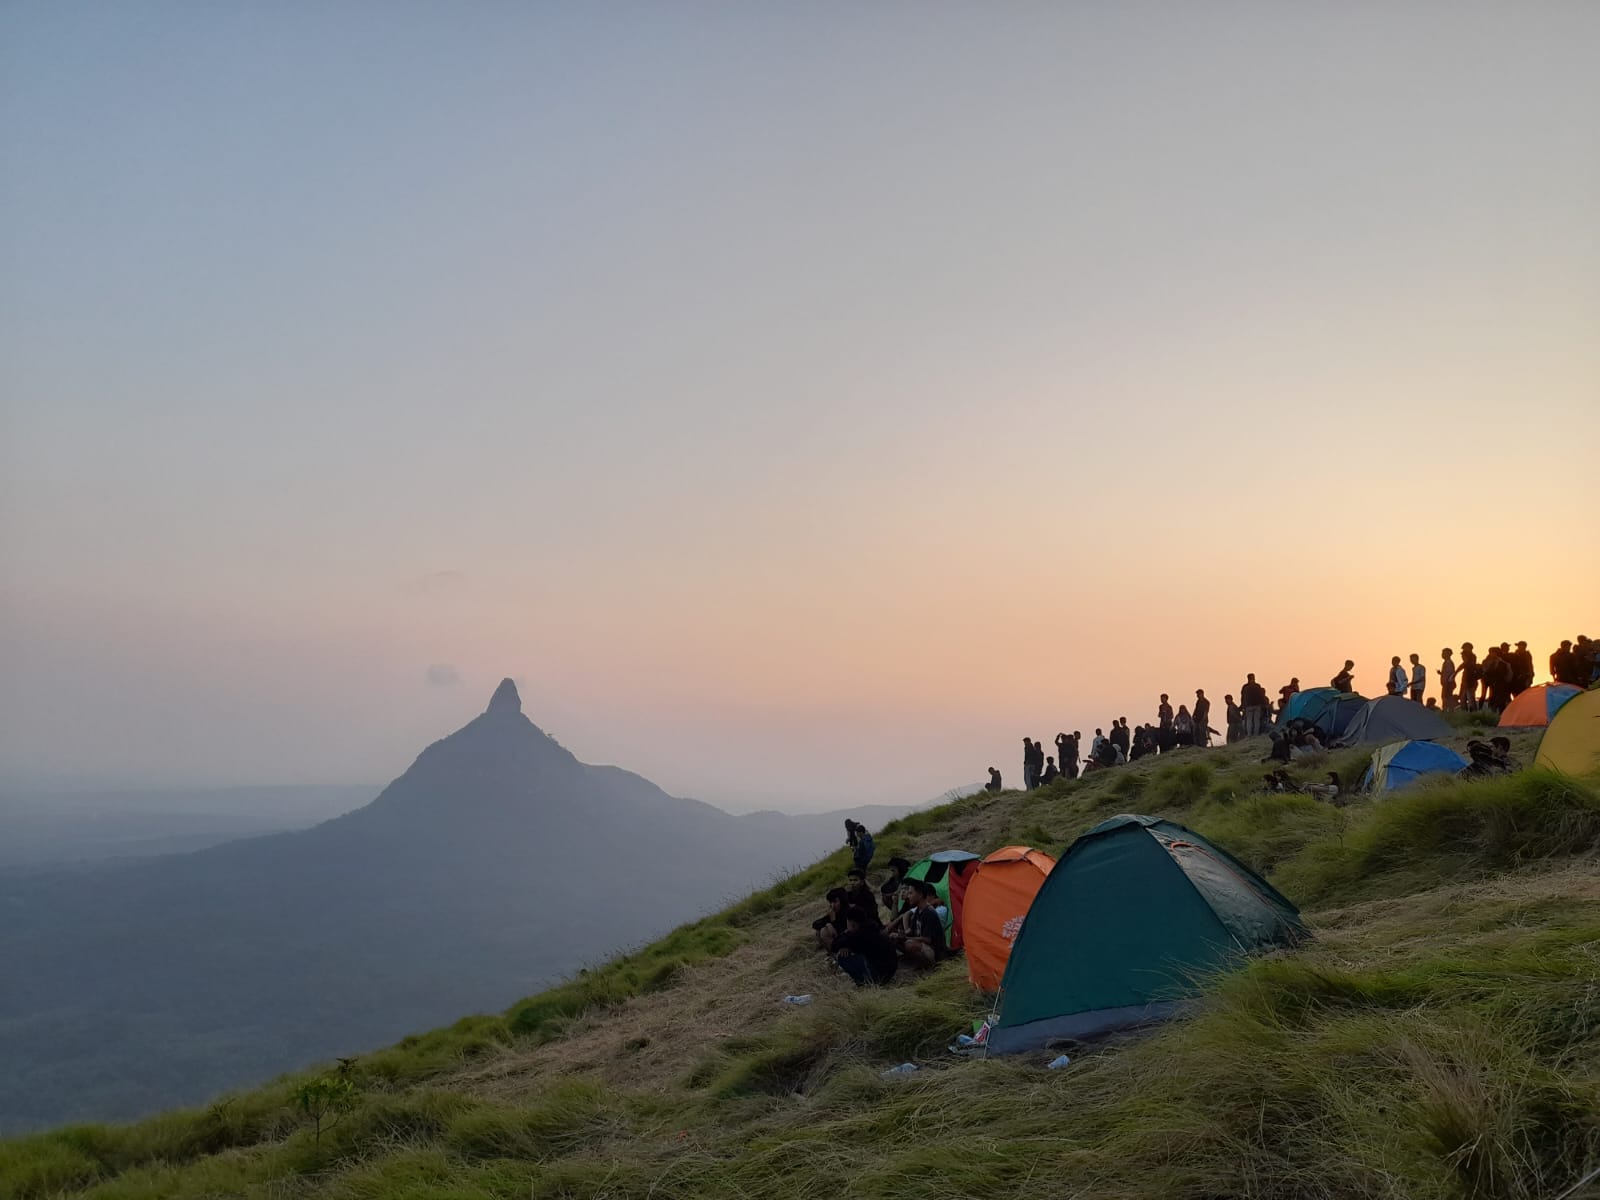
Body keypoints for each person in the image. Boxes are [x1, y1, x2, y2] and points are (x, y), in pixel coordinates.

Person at [833, 906, 898, 987]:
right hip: (890, 972)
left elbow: (834, 945)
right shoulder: (871, 927)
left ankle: (864, 981)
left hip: (880, 975)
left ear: (853, 924)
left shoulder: (860, 935)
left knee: (842, 957)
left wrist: (846, 934)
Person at [889, 879, 947, 968]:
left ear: (920, 894)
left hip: (935, 951)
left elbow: (928, 939)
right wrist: (899, 934)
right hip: (924, 946)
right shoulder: (918, 911)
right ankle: (914, 960)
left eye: (911, 893)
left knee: (910, 944)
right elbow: (911, 931)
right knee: (894, 938)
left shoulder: (929, 912)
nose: (908, 896)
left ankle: (930, 965)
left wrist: (906, 937)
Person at [812, 888, 848, 952]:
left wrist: (833, 921)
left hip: (847, 942)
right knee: (819, 931)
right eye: (831, 902)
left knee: (824, 931)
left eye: (835, 902)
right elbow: (815, 924)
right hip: (838, 940)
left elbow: (843, 931)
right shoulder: (835, 912)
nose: (832, 905)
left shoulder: (849, 912)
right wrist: (828, 921)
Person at [1459, 643, 1480, 710]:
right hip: (1467, 679)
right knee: (1464, 697)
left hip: (1469, 680)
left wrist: (1455, 673)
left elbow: (1465, 664)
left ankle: (1472, 712)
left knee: (1469, 697)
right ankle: (1468, 712)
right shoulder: (1471, 659)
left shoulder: (1471, 658)